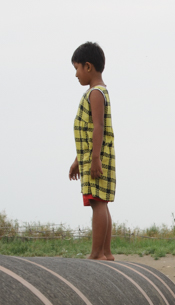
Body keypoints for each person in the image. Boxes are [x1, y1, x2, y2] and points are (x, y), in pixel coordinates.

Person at [68, 41, 116, 260]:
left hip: (97, 158)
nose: (76, 74)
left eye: (76, 68)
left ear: (88, 66)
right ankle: (106, 252)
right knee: (101, 203)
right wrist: (79, 159)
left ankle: (97, 253)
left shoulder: (95, 93)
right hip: (91, 156)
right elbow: (88, 131)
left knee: (97, 203)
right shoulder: (97, 92)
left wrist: (95, 158)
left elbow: (98, 126)